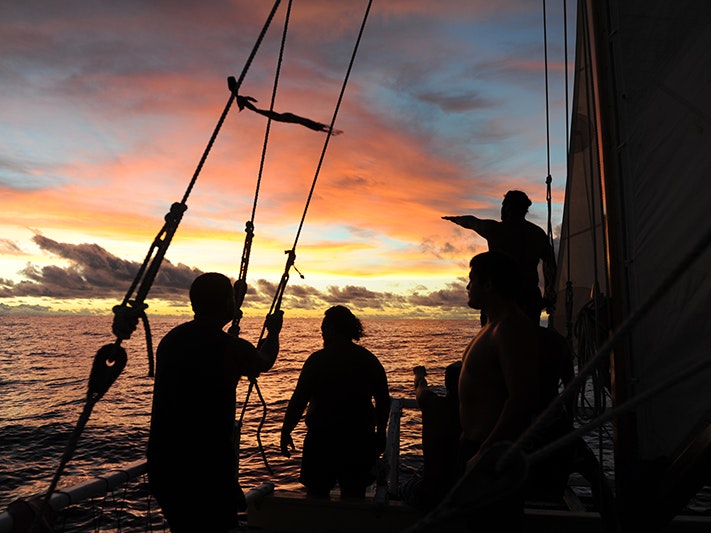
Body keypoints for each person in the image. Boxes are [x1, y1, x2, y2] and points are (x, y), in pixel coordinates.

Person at [146, 272, 283, 533]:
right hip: (206, 470)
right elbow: (263, 361)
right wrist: (274, 332)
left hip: (166, 465)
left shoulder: (170, 341)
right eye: (231, 298)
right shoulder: (230, 347)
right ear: (225, 304)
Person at [457, 251, 540, 528]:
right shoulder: (492, 327)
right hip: (480, 450)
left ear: (489, 285)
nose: (468, 287)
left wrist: (485, 452)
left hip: (493, 456)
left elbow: (521, 397)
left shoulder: (509, 329)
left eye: (472, 281)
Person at [279, 305, 390, 499]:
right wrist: (380, 433)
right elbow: (383, 401)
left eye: (324, 329)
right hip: (359, 442)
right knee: (355, 497)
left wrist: (286, 430)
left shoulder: (317, 361)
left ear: (331, 329)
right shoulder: (369, 360)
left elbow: (299, 400)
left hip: (321, 441)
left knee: (316, 497)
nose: (322, 335)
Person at [442, 190, 556, 324]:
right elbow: (550, 265)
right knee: (527, 341)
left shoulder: (495, 229)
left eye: (503, 205)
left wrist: (455, 219)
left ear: (508, 208)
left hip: (499, 300)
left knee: (494, 338)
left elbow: (470, 222)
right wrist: (549, 294)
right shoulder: (537, 234)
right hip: (530, 299)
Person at [402, 362, 462, 511]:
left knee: (403, 488)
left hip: (430, 493)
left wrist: (419, 374)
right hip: (460, 493)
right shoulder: (476, 413)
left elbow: (420, 387)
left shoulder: (432, 404)